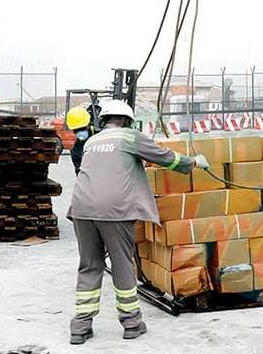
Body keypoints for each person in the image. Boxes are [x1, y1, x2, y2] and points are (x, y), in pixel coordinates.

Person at [66, 100, 208, 345]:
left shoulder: (91, 141)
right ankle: (132, 322)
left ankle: (80, 327)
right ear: (128, 120)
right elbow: (166, 158)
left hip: (81, 209)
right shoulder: (130, 137)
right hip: (114, 210)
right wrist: (193, 163)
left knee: (89, 265)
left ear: (104, 120)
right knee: (122, 264)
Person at [66, 106, 96, 175]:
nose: (80, 132)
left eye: (82, 128)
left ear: (88, 124)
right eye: (76, 130)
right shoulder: (75, 149)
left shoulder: (101, 136)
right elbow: (79, 172)